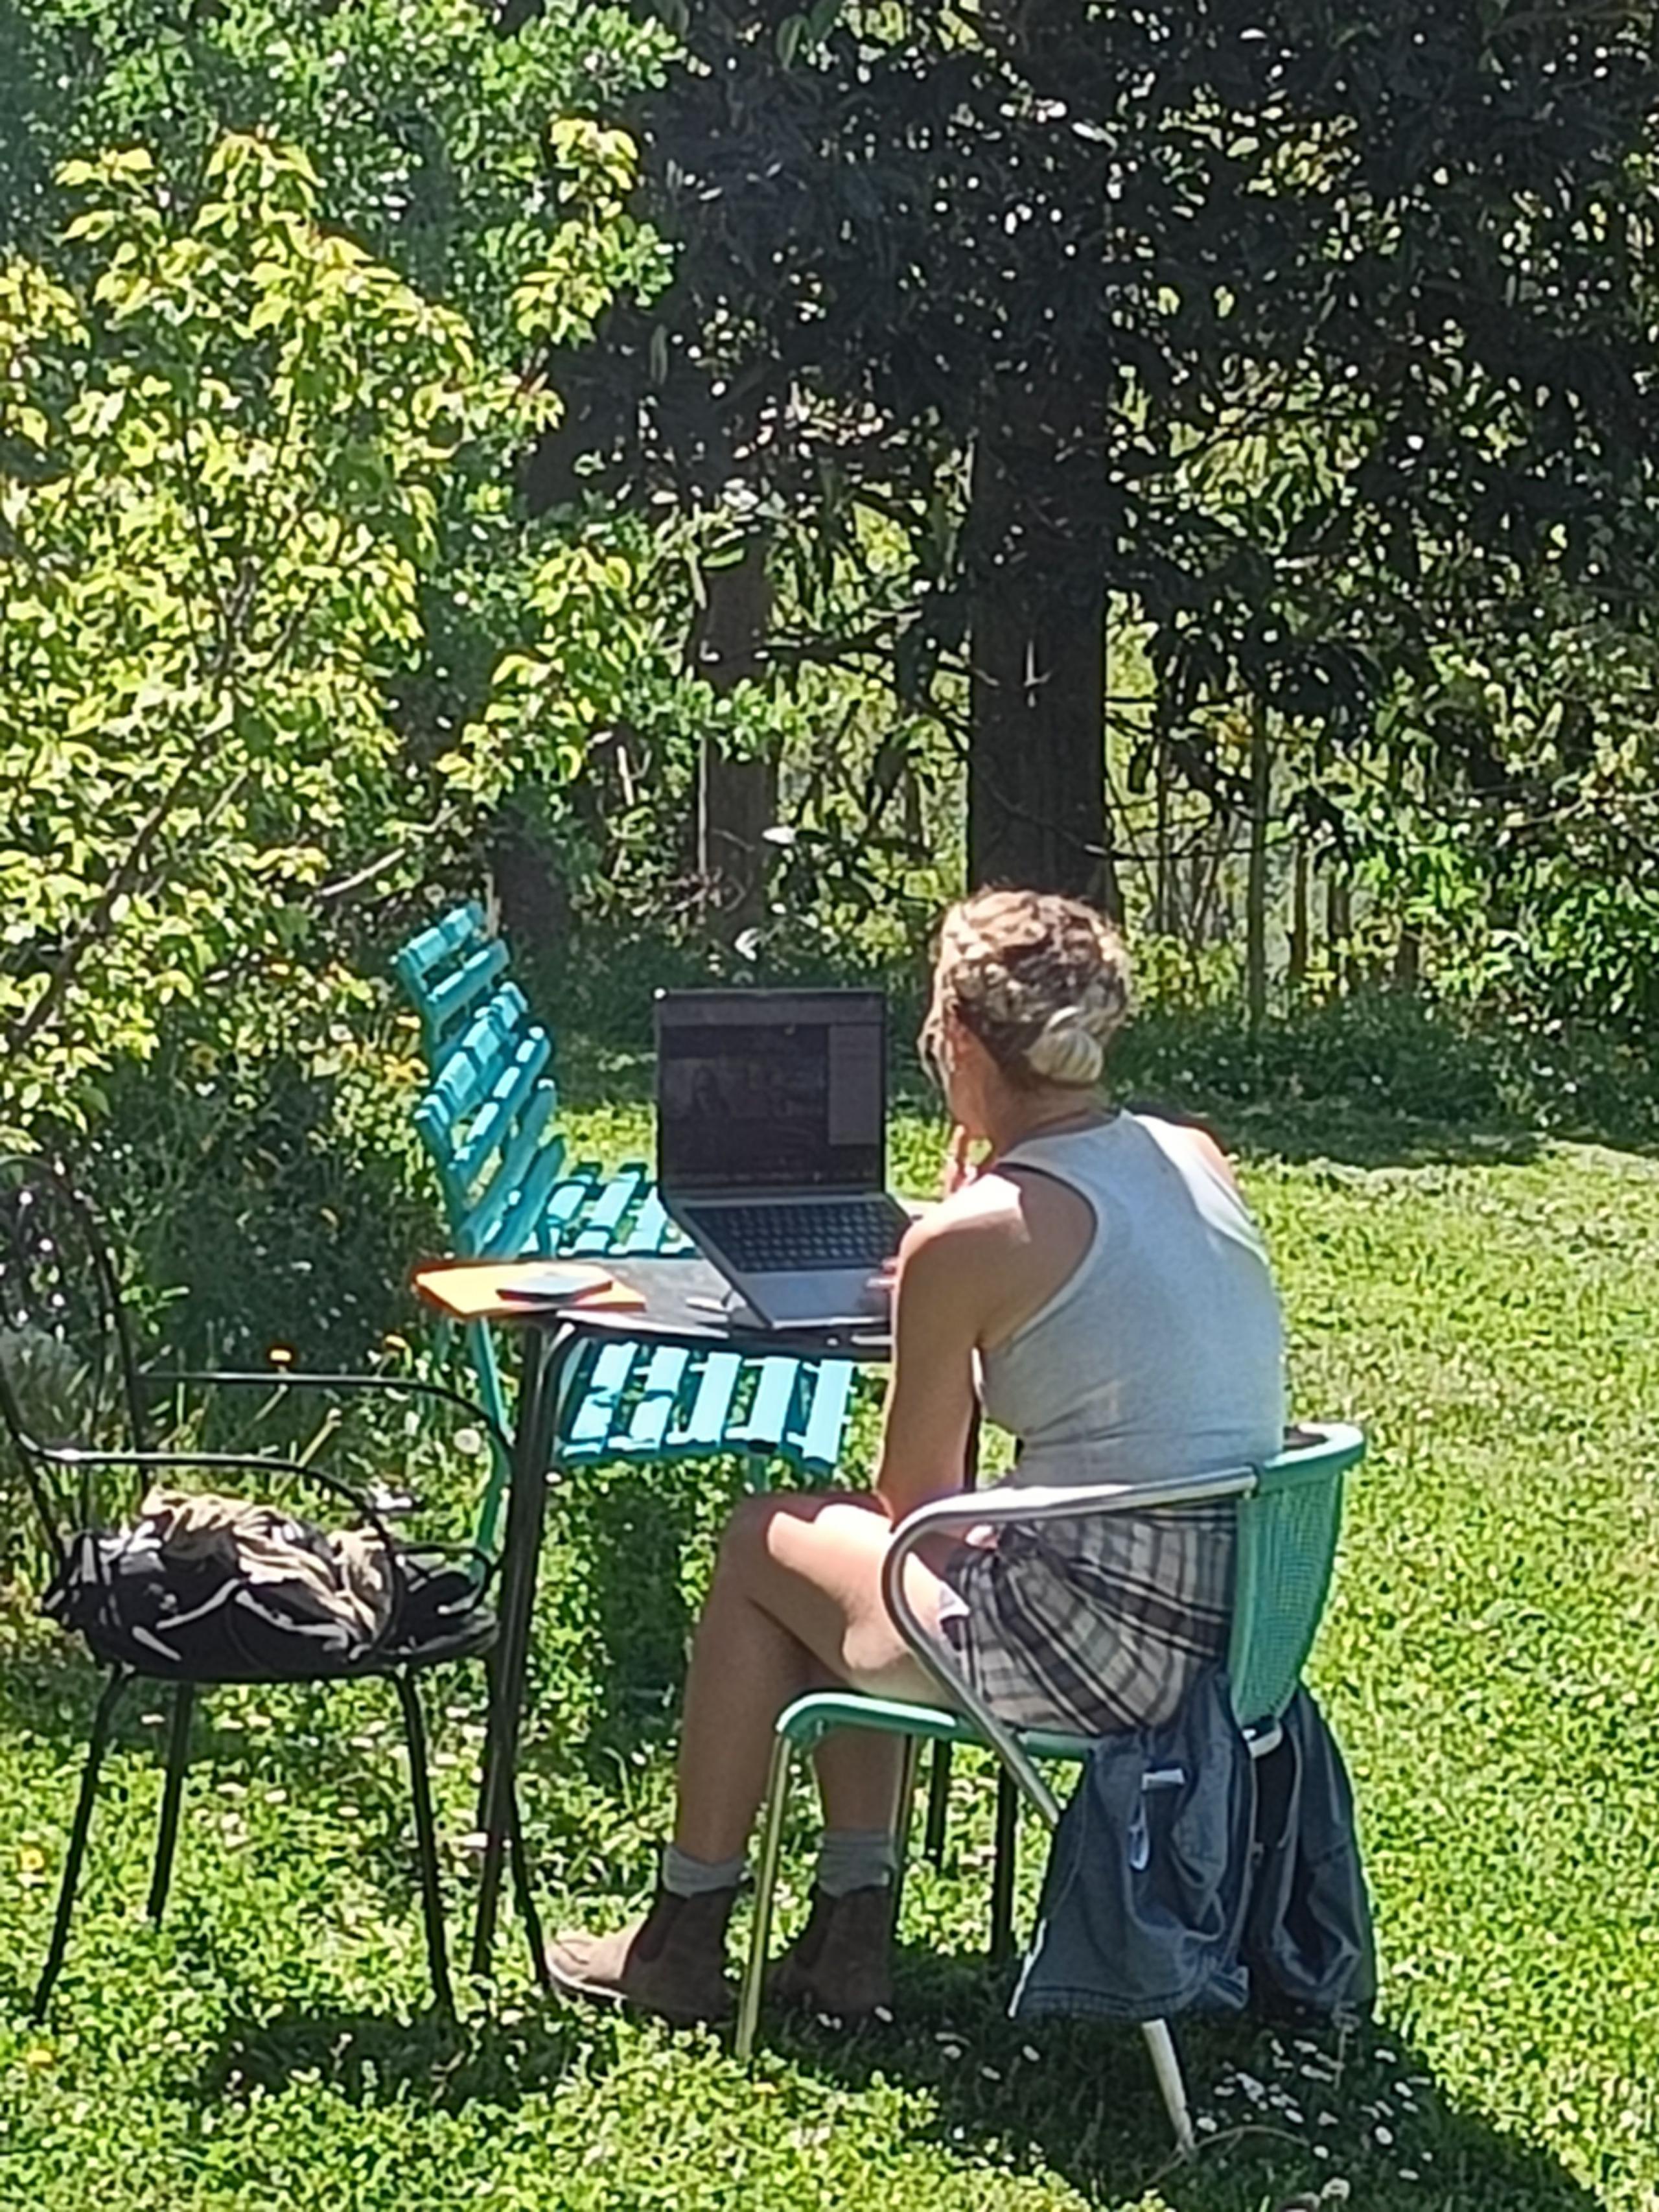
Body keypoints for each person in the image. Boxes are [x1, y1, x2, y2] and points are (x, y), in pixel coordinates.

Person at [546, 888, 1286, 2026]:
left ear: (955, 1040)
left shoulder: (974, 1235)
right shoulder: (1193, 1154)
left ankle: (690, 1938)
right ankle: (841, 1933)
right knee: (824, 1561)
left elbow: (913, 1511)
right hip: (1227, 1637)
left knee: (768, 1543)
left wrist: (947, 1273)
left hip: (1094, 1656)